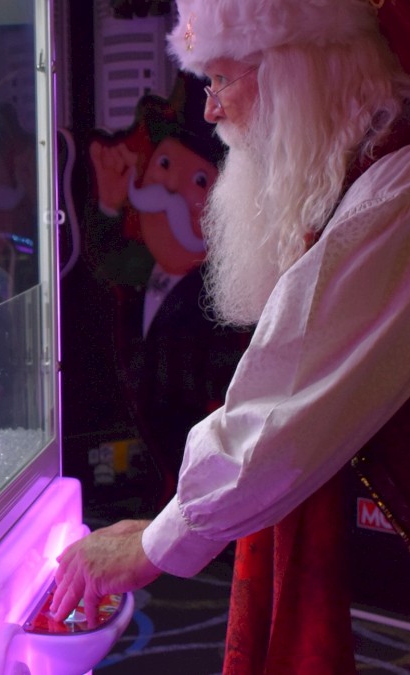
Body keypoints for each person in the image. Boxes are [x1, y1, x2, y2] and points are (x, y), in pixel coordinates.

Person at [51, 1, 410, 673]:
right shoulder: (396, 166)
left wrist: (157, 543)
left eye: (220, 80)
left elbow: (284, 410)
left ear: (296, 73)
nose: (210, 110)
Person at [87, 80, 250, 506]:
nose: (170, 191)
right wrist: (108, 201)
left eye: (197, 179)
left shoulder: (222, 297)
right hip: (143, 461)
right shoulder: (144, 268)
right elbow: (106, 261)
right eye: (163, 165)